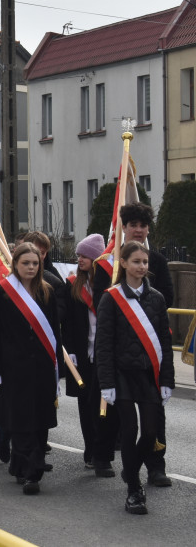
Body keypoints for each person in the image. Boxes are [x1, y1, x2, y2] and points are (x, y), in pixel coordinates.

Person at [92, 202, 174, 488]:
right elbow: (98, 303)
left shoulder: (158, 261)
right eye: (133, 224)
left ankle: (155, 466)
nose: (138, 229)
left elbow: (167, 298)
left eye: (143, 225)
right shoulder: (106, 262)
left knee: (154, 422)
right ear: (123, 228)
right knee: (119, 419)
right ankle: (103, 457)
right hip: (119, 354)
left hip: (149, 352)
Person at [0, 242, 60, 495]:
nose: (30, 267)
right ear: (15, 264)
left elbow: (54, 333)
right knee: (20, 420)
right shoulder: (2, 291)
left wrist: (57, 366)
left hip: (42, 367)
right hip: (13, 368)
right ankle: (32, 473)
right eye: (25, 263)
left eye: (35, 263)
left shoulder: (47, 291)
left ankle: (21, 464)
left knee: (40, 420)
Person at [65, 233, 117, 478]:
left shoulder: (108, 287)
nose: (80, 259)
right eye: (78, 255)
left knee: (105, 407)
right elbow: (67, 323)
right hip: (83, 357)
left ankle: (103, 455)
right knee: (86, 406)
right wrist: (71, 352)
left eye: (85, 255)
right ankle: (90, 451)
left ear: (97, 259)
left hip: (105, 356)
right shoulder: (73, 284)